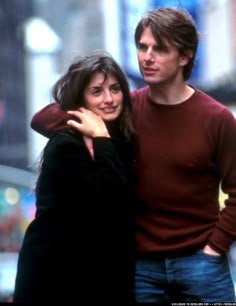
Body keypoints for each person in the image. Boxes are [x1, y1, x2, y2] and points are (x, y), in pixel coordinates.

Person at [29, 7, 236, 303]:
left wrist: (215, 247)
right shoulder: (124, 109)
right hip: (141, 267)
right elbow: (42, 118)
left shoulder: (217, 119)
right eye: (142, 46)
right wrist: (99, 131)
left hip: (201, 263)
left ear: (185, 56)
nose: (147, 56)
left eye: (159, 49)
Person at [13, 50, 136, 304]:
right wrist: (101, 138)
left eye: (115, 89)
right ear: (81, 98)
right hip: (58, 280)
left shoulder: (121, 141)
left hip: (96, 277)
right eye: (97, 91)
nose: (109, 99)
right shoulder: (67, 146)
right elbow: (108, 204)